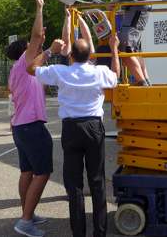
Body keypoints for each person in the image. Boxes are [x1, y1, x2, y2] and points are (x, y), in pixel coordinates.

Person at [28, 34, 120, 237]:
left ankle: (78, 233)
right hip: (94, 126)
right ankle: (100, 232)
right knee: (97, 181)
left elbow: (30, 68)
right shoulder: (99, 72)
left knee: (74, 184)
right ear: (90, 56)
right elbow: (115, 76)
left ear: (71, 56)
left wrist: (50, 50)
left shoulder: (60, 72)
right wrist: (114, 49)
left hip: (71, 128)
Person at [6, 0, 52, 237]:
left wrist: (46, 44)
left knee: (27, 171)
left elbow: (39, 40)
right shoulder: (26, 61)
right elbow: (36, 36)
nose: (38, 44)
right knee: (43, 172)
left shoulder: (19, 69)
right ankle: (25, 221)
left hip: (20, 127)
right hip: (31, 126)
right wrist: (39, 7)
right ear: (25, 50)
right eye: (33, 46)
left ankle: (28, 212)